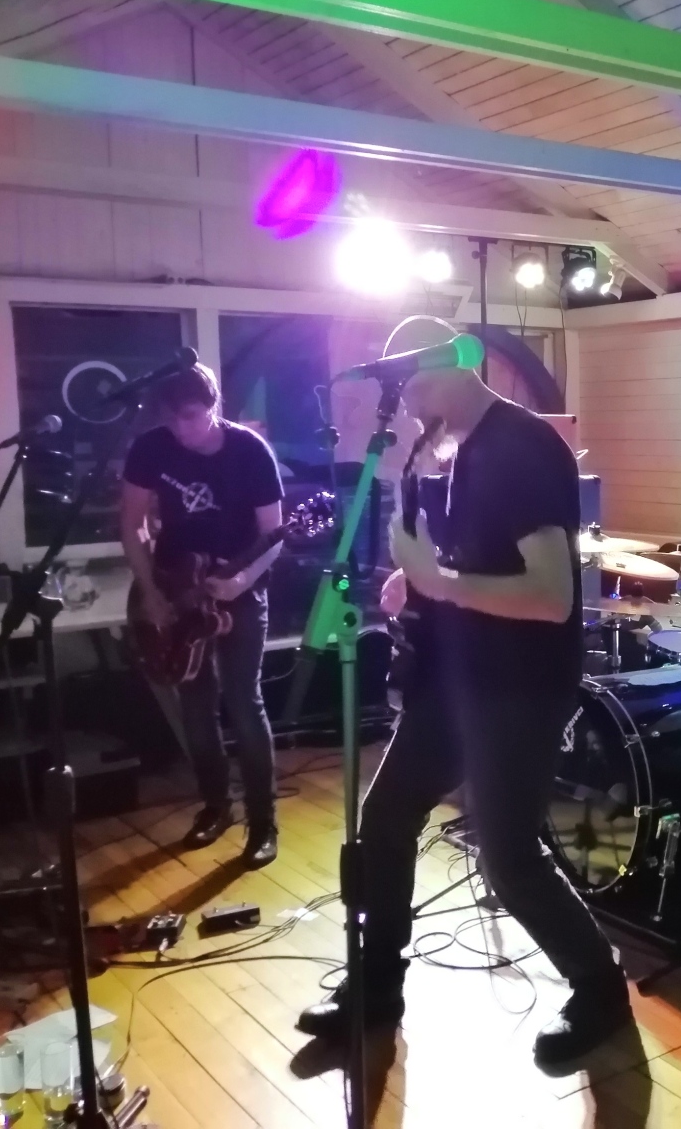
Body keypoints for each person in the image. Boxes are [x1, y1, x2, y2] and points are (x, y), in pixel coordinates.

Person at [297, 317, 633, 1075]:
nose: (404, 397)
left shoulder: (520, 447)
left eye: (412, 379)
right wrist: (411, 580)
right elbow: (455, 556)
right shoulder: (432, 445)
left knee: (509, 859)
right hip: (451, 677)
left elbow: (550, 595)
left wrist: (439, 581)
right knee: (386, 820)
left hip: (519, 686)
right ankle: (377, 986)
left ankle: (600, 987)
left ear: (451, 367)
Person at [121, 362, 285, 868]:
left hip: (239, 588)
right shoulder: (151, 447)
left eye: (190, 417)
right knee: (195, 707)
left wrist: (240, 581)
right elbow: (132, 524)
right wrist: (150, 591)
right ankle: (216, 807)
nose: (180, 429)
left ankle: (263, 823)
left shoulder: (250, 452)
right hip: (176, 585)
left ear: (214, 406)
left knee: (244, 702)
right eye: (171, 419)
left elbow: (273, 537)